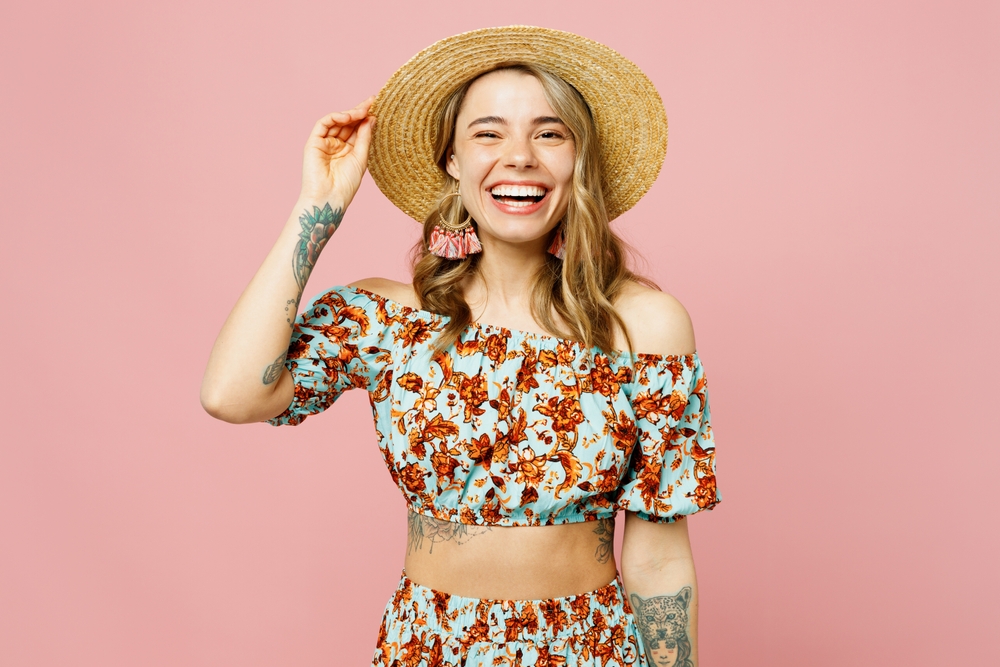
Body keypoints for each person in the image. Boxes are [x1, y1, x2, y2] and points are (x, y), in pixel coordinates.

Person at [201, 25, 720, 667]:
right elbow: (232, 394)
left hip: (589, 649)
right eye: (488, 132)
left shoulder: (645, 324)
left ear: (577, 161)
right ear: (452, 160)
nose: (521, 156)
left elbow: (661, 556)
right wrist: (319, 208)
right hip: (428, 646)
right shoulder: (388, 317)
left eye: (549, 133)